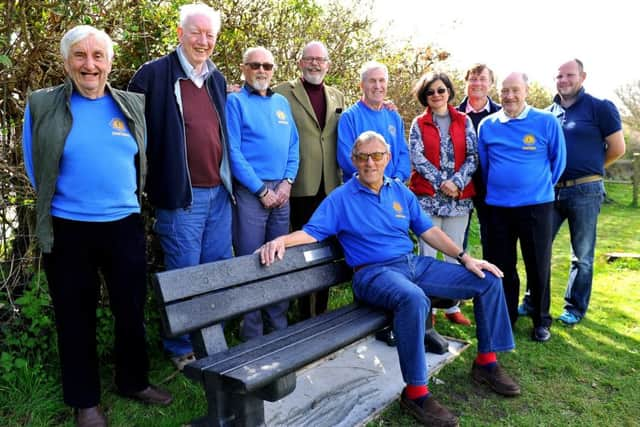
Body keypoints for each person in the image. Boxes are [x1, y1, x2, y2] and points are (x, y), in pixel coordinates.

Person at [258, 130, 519, 426]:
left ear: (388, 158)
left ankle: (487, 363)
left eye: (377, 155)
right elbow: (312, 232)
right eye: (363, 157)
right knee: (413, 298)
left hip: (411, 264)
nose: (370, 162)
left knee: (487, 279)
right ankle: (416, 393)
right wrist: (282, 241)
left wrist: (465, 257)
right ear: (354, 161)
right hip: (372, 273)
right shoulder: (341, 198)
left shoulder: (399, 192)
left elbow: (429, 231)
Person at [22, 25, 172, 427]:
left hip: (123, 223)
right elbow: (36, 167)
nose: (90, 65)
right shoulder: (42, 104)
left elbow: (142, 158)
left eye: (98, 56)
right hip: (69, 227)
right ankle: (85, 400)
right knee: (75, 314)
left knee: (130, 308)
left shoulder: (130, 105)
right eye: (80, 56)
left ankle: (133, 380)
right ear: (67, 61)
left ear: (110, 62)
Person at [128, 3, 233, 370]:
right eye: (196, 33)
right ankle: (180, 348)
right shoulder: (153, 75)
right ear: (179, 33)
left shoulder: (216, 79)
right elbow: (132, 137)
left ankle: (212, 339)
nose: (203, 41)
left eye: (210, 35)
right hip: (180, 198)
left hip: (219, 195)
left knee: (216, 269)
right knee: (183, 274)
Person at [519, 59, 626, 324]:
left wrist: (591, 169)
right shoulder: (546, 113)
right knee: (538, 249)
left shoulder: (600, 108)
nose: (564, 80)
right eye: (559, 76)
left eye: (569, 75)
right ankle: (533, 301)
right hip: (550, 192)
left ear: (583, 76)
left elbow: (617, 148)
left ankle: (574, 308)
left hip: (585, 192)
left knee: (582, 255)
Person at [478, 72, 566, 342]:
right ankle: (506, 317)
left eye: (515, 90)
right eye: (505, 91)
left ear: (526, 91)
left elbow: (558, 162)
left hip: (536, 206)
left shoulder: (546, 121)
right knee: (501, 265)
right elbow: (485, 163)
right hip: (497, 208)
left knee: (538, 264)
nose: (510, 96)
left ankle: (541, 320)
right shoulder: (487, 125)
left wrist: (536, 188)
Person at [226, 46, 299, 340]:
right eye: (255, 65)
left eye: (267, 66)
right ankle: (252, 332)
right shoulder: (235, 102)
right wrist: (260, 189)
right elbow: (232, 150)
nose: (261, 71)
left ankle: (277, 325)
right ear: (244, 68)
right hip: (252, 194)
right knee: (251, 260)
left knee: (278, 257)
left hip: (281, 193)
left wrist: (287, 183)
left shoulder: (282, 102)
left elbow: (293, 146)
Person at [274, 41, 345, 319]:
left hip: (331, 187)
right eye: (310, 59)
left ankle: (322, 311)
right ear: (300, 62)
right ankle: (304, 314)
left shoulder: (338, 96)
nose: (316, 64)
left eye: (321, 59)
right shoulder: (281, 93)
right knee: (302, 251)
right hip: (299, 184)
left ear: (328, 64)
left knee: (325, 249)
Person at [408, 71, 477, 326]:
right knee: (427, 254)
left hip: (458, 198)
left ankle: (452, 306)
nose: (436, 95)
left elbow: (473, 156)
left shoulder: (464, 120)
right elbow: (417, 157)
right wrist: (441, 183)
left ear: (448, 91)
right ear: (424, 96)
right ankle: (429, 310)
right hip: (428, 197)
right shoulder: (419, 123)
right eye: (430, 92)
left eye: (441, 90)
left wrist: (456, 182)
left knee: (455, 252)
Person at [337, 61, 410, 183]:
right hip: (361, 192)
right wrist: (375, 183)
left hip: (393, 187)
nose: (377, 86)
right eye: (372, 81)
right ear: (362, 85)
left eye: (382, 80)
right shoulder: (349, 117)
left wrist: (397, 179)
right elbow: (346, 158)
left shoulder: (394, 116)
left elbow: (403, 153)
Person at [457, 64, 501, 256]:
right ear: (466, 82)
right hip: (460, 186)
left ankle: (492, 283)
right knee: (458, 241)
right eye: (473, 79)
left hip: (491, 186)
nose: (477, 83)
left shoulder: (502, 115)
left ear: (491, 83)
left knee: (492, 239)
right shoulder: (452, 114)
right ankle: (459, 282)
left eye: (483, 79)